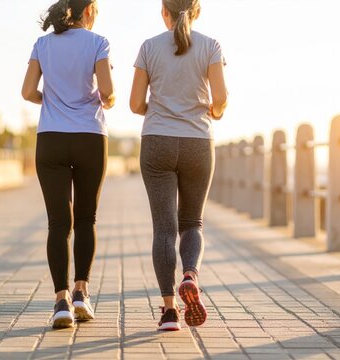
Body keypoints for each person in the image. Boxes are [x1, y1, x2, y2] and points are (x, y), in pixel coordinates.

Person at [130, 0, 228, 331]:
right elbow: (221, 97)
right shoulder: (211, 46)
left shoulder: (148, 47)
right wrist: (213, 112)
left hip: (156, 139)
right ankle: (190, 275)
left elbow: (134, 103)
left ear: (164, 12)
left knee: (164, 228)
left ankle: (170, 312)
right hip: (198, 142)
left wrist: (159, 110)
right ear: (197, 11)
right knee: (192, 222)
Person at [21, 0, 114, 329]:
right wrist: (104, 98)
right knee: (86, 217)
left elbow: (27, 91)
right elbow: (108, 92)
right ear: (88, 10)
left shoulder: (42, 44)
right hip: (90, 137)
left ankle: (60, 301)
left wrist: (48, 98)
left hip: (51, 139)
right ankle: (81, 293)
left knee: (58, 223)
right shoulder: (98, 42)